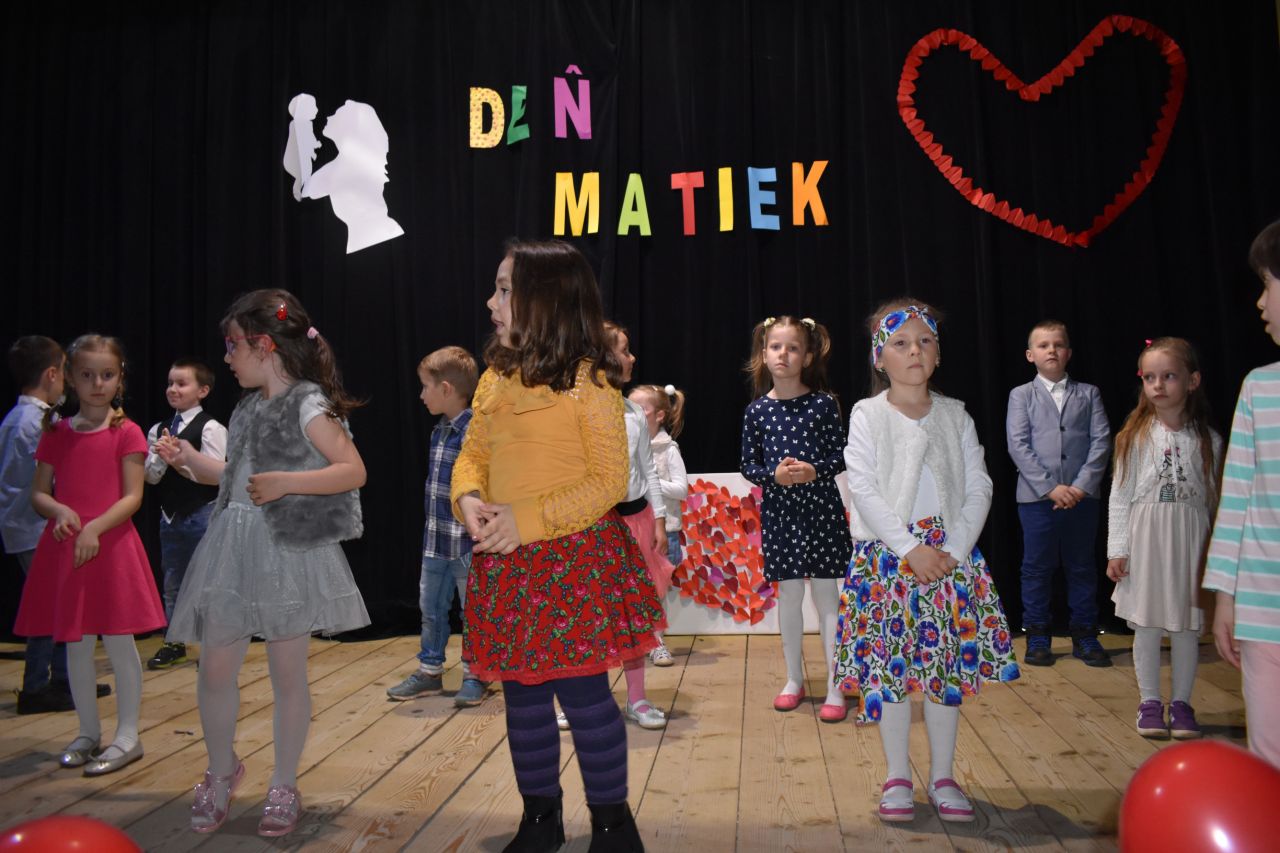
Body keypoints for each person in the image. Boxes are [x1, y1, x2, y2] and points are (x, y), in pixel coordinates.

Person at [451, 239, 665, 851]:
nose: (491, 302)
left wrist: (527, 520)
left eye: (504, 290)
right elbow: (473, 455)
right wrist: (468, 498)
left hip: (572, 564)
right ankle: (540, 819)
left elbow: (608, 481)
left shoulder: (588, 385)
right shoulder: (494, 379)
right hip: (508, 564)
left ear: (546, 302)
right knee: (522, 698)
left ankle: (613, 825)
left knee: (585, 696)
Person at [162, 289, 370, 836]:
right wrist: (191, 461)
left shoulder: (308, 403)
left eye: (232, 345)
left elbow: (352, 470)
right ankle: (221, 769)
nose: (227, 357)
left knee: (287, 673)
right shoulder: (247, 406)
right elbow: (237, 477)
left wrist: (286, 483)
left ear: (263, 346)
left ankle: (283, 781)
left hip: (285, 552)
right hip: (232, 546)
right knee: (214, 668)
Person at [834, 300, 1019, 824]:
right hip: (889, 562)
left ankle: (943, 776)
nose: (914, 350)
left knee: (944, 673)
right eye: (901, 343)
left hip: (947, 562)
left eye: (925, 341)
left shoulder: (956, 415)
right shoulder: (868, 415)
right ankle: (897, 775)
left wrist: (952, 550)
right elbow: (864, 488)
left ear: (937, 352)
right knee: (891, 674)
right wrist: (909, 549)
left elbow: (979, 486)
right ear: (880, 357)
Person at [13, 334, 165, 775]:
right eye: (87, 375)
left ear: (119, 379)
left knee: (118, 642)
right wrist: (60, 510)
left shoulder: (126, 432)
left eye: (107, 375)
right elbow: (39, 493)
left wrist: (94, 527)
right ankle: (87, 731)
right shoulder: (57, 432)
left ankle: (128, 735)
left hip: (111, 547)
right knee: (76, 643)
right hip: (68, 549)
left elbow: (132, 497)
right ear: (70, 377)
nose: (98, 384)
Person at [1107, 338, 1221, 739]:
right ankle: (1150, 701)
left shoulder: (1209, 441)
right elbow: (1120, 496)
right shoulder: (1133, 437)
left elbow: (1213, 501)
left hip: (1189, 543)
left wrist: (1215, 556)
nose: (1158, 385)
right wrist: (1118, 548)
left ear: (1192, 381)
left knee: (1186, 626)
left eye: (1169, 376)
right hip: (1147, 542)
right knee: (1148, 624)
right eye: (1149, 377)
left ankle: (1183, 703)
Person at [740, 315, 850, 721]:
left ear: (807, 356)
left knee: (826, 595)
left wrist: (814, 470)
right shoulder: (757, 411)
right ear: (763, 353)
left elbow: (841, 454)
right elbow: (748, 465)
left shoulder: (823, 404)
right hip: (781, 514)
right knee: (788, 595)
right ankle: (793, 679)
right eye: (775, 346)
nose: (783, 354)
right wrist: (775, 476)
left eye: (792, 348)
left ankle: (836, 684)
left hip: (821, 510)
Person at [1205, 219, 1280, 769]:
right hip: (1262, 610)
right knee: (1269, 756)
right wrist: (1225, 597)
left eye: (1267, 284)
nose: (1259, 301)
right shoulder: (1259, 388)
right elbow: (1235, 502)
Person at [387, 345, 489, 707]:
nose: (421, 395)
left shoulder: (475, 432)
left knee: (472, 612)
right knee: (430, 610)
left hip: (467, 544)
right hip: (436, 542)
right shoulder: (439, 430)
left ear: (446, 389)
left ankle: (476, 674)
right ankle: (430, 671)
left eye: (425, 386)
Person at [1006, 320, 1112, 666]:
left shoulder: (1089, 393)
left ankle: (1085, 633)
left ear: (1068, 352)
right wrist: (1050, 487)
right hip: (1037, 500)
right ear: (1030, 355)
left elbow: (1101, 442)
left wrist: (1080, 486)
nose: (1051, 350)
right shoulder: (1021, 395)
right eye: (1043, 345)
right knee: (1036, 568)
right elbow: (1018, 445)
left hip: (1083, 498)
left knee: (1082, 566)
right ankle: (1038, 632)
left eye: (1058, 344)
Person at [603, 321, 671, 728]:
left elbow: (648, 470)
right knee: (594, 614)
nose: (632, 357)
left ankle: (637, 699)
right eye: (624, 350)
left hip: (636, 521)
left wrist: (659, 519)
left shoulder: (633, 412)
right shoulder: (579, 409)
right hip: (597, 525)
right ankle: (583, 699)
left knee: (634, 613)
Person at [1, 335, 73, 713]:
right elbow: (52, 476)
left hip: (27, 525)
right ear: (51, 374)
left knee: (55, 603)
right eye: (64, 372)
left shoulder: (19, 418)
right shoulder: (37, 422)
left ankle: (62, 679)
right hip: (34, 527)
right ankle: (37, 687)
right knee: (50, 606)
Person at [143, 358, 226, 670]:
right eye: (170, 383)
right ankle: (174, 641)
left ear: (202, 390)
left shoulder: (211, 428)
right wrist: (161, 459)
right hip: (170, 517)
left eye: (181, 383)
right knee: (173, 581)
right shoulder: (158, 429)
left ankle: (213, 646)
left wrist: (179, 461)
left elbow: (215, 477)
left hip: (202, 514)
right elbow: (151, 478)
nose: (173, 389)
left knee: (208, 581)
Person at [628, 383, 689, 639]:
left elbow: (682, 489)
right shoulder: (627, 446)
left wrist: (648, 480)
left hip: (665, 531)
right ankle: (640, 641)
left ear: (659, 415)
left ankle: (657, 642)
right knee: (635, 588)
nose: (632, 414)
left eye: (640, 408)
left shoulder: (667, 449)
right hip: (636, 527)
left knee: (656, 588)